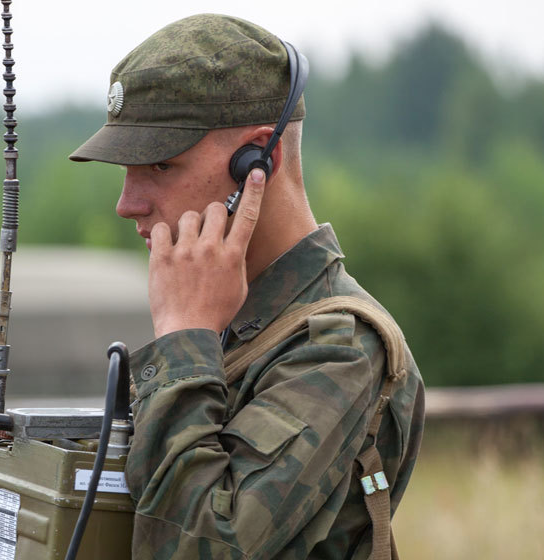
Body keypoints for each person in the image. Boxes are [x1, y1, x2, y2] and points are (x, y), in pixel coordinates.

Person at [69, 14, 424, 560]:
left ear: (259, 160)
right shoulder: (228, 323)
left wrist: (184, 339)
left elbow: (200, 548)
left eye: (160, 165)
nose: (127, 203)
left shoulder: (339, 349)